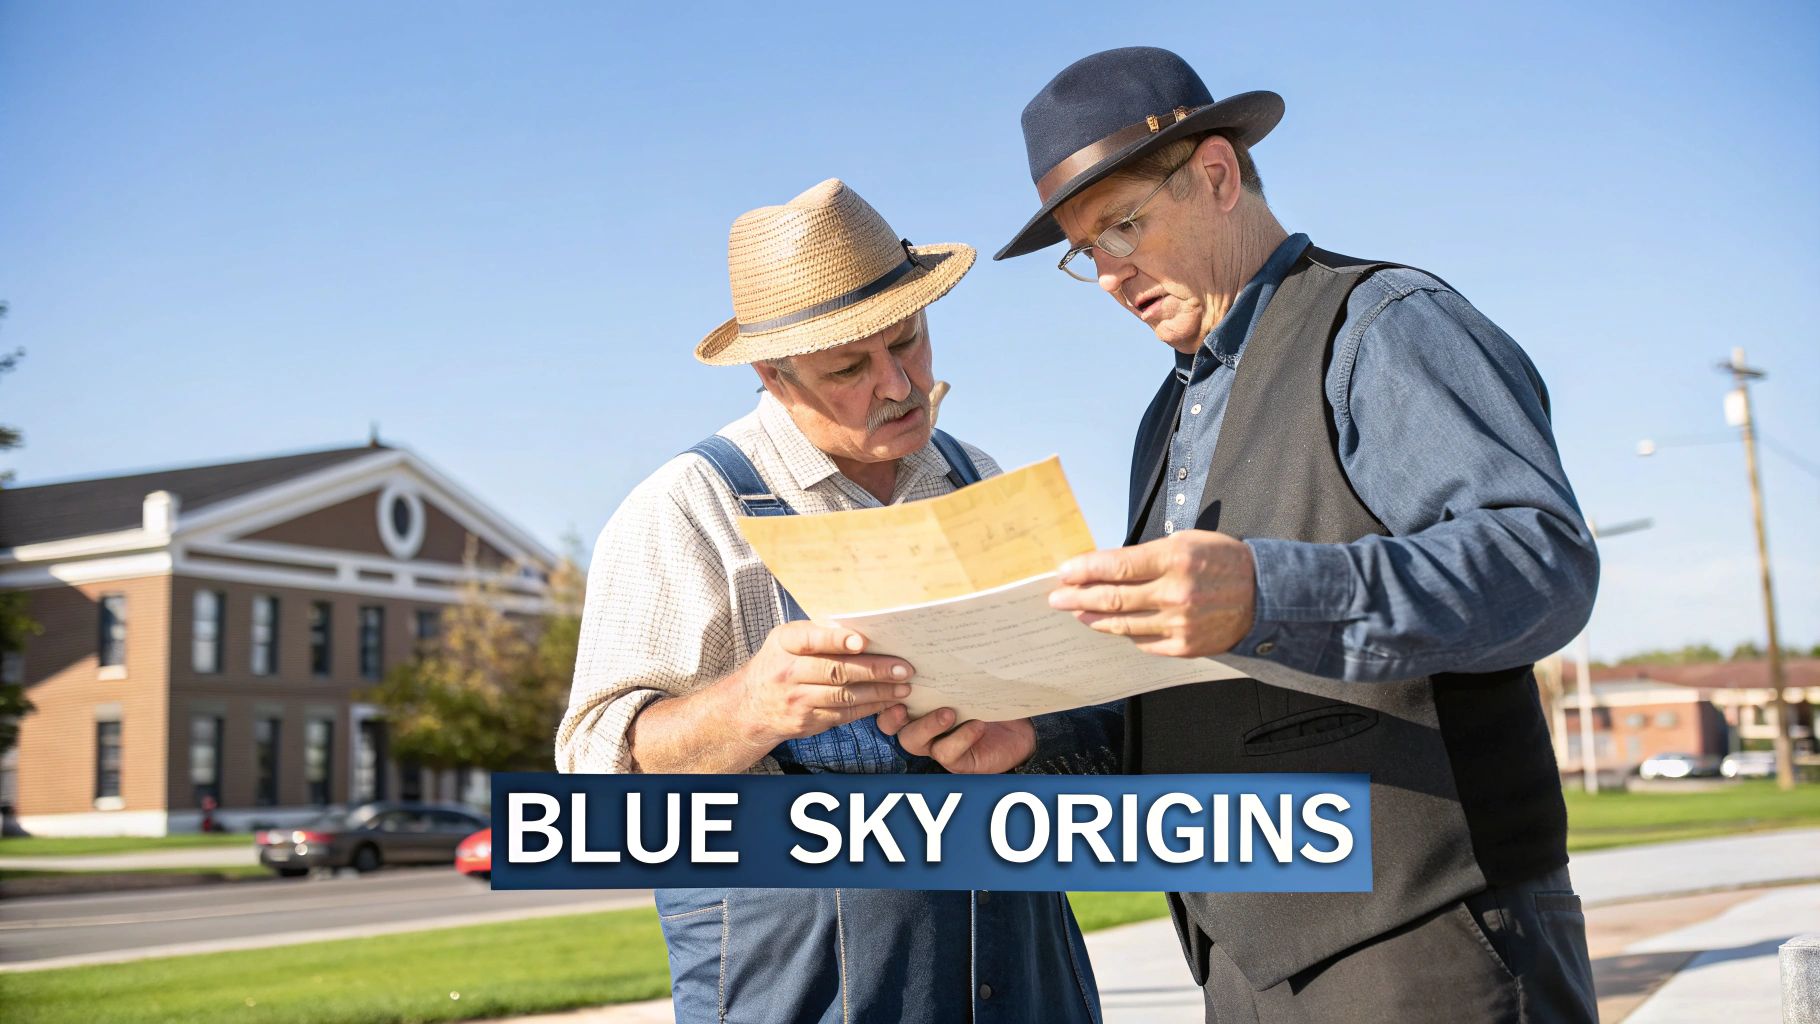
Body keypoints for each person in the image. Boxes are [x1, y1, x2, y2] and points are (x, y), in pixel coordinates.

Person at [995, 46, 1600, 1023]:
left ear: (1217, 175)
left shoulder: (1381, 326)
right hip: (1243, 963)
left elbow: (1540, 564)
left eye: (1122, 226)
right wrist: (1031, 736)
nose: (1109, 275)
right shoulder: (1168, 415)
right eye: (1085, 251)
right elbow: (1191, 696)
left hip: (1428, 945)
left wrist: (1272, 593)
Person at [557, 178, 1117, 1023]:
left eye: (909, 341)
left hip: (1026, 973)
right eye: (848, 369)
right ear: (771, 375)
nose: (899, 385)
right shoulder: (686, 512)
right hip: (805, 986)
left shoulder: (977, 480)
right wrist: (751, 705)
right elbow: (600, 783)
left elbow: (1082, 705)